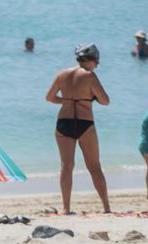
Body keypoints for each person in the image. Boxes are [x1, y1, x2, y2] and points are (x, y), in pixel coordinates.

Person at [46, 43, 111, 215]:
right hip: (84, 123)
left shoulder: (62, 74)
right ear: (92, 59)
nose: (97, 65)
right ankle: (106, 207)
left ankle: (66, 208)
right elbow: (105, 101)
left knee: (66, 166)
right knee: (94, 167)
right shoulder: (90, 76)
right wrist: (87, 99)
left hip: (64, 122)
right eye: (97, 61)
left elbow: (50, 97)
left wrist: (67, 101)